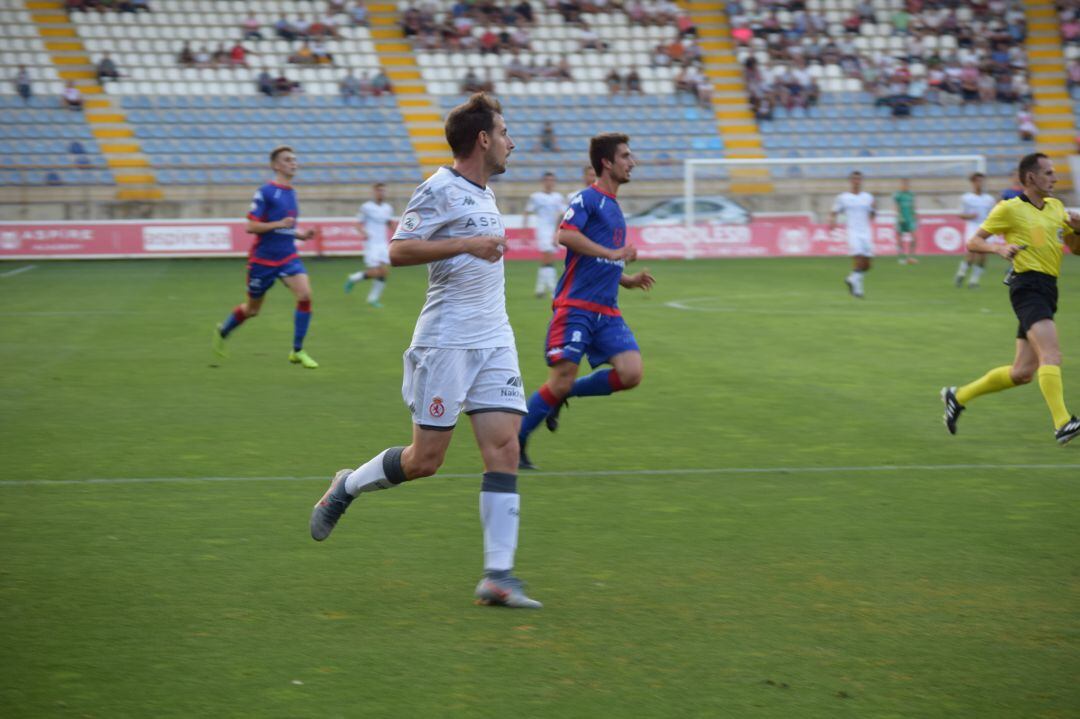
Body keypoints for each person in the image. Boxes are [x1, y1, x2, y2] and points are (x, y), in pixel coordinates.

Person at [309, 93, 541, 609]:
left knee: (504, 449)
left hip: (494, 339)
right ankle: (346, 486)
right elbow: (398, 251)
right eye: (504, 132)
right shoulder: (439, 188)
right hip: (446, 342)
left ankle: (498, 577)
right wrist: (464, 245)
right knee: (425, 460)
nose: (511, 141)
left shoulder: (484, 192)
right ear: (483, 139)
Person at [517, 133, 655, 470]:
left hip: (607, 311)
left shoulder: (615, 209)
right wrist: (613, 253)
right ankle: (516, 442)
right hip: (576, 307)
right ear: (607, 162)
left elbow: (599, 262)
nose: (631, 162)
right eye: (625, 156)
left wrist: (626, 279)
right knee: (560, 378)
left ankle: (563, 396)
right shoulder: (588, 199)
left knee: (631, 373)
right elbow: (564, 235)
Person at [942, 153, 1080, 446]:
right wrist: (999, 249)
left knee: (1022, 373)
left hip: (1048, 287)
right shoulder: (1009, 209)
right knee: (1051, 355)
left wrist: (1077, 229)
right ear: (1030, 178)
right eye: (1048, 173)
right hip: (1026, 286)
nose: (1055, 178)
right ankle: (1063, 422)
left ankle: (958, 396)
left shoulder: (1056, 207)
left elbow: (1075, 248)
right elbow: (974, 241)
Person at [211, 146, 320, 369]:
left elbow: (286, 229)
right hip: (262, 260)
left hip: (288, 256)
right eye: (288, 160)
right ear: (276, 165)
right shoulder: (266, 192)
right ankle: (223, 331)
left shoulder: (292, 193)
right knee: (252, 310)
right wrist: (279, 224)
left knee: (305, 295)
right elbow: (251, 226)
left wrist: (301, 234)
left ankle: (297, 350)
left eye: (295, 160)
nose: (294, 163)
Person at [344, 182, 394, 306]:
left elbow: (389, 223)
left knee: (384, 272)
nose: (381, 193)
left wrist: (399, 232)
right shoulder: (367, 207)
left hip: (383, 244)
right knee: (374, 272)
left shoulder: (388, 208)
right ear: (374, 192)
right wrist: (364, 232)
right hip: (371, 244)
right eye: (379, 190)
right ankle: (353, 278)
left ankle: (373, 299)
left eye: (383, 190)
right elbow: (357, 224)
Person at [830, 170, 876, 298]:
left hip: (866, 232)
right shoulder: (843, 197)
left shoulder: (868, 197)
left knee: (867, 265)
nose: (857, 181)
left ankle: (852, 278)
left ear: (861, 181)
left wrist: (873, 209)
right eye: (854, 179)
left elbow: (872, 214)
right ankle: (857, 290)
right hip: (853, 232)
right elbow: (834, 211)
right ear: (850, 181)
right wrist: (832, 222)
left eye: (859, 179)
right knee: (858, 259)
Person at [523, 172, 565, 298]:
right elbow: (527, 212)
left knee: (547, 260)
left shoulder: (558, 197)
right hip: (543, 231)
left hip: (554, 231)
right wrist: (524, 232)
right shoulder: (536, 197)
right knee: (548, 258)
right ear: (543, 182)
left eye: (552, 180)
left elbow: (562, 214)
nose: (549, 182)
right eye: (547, 180)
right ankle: (553, 290)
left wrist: (558, 231)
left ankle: (540, 290)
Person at [954, 172, 998, 289]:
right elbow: (960, 214)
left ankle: (974, 281)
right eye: (978, 181)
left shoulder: (989, 199)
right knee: (971, 255)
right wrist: (970, 216)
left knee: (983, 256)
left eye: (982, 181)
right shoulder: (966, 198)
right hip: (972, 227)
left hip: (986, 228)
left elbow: (994, 214)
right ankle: (961, 273)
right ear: (972, 182)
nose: (980, 183)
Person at [893, 178, 918, 265]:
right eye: (904, 184)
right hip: (901, 218)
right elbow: (896, 206)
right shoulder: (898, 194)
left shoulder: (911, 194)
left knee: (914, 237)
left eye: (907, 184)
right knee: (900, 239)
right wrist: (899, 216)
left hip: (910, 219)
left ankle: (910, 257)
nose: (905, 185)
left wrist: (915, 215)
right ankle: (901, 258)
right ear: (901, 184)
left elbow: (913, 206)